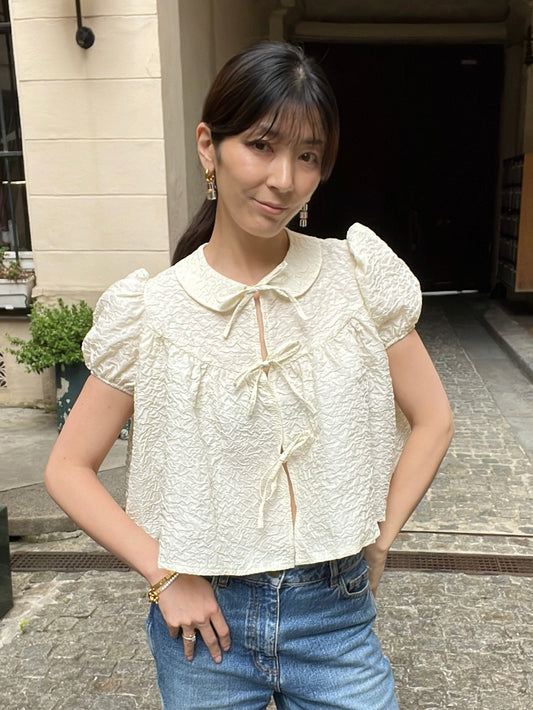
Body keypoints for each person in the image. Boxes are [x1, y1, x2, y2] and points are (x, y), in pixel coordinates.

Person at [45, 41, 454, 710]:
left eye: (307, 156)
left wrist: (380, 539)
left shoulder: (355, 279)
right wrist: (163, 574)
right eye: (261, 146)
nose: (283, 179)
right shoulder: (152, 311)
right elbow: (67, 467)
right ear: (209, 147)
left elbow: (433, 418)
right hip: (204, 628)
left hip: (334, 614)